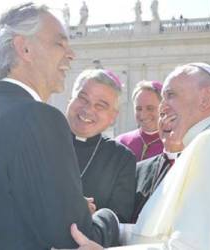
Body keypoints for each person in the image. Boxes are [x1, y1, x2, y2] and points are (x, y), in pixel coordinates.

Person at [0, 3, 119, 250]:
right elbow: (75, 236)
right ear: (24, 48)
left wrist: (71, 204)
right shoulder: (39, 117)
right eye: (60, 43)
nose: (71, 54)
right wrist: (107, 218)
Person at [70, 62, 210, 250]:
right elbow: (166, 234)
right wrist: (112, 226)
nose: (163, 107)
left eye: (170, 95)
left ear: (206, 98)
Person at [66, 69, 136, 223]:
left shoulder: (122, 159)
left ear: (113, 117)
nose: (88, 109)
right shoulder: (40, 140)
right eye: (83, 98)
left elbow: (119, 219)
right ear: (70, 99)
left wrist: (89, 216)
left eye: (101, 105)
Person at [131, 111, 184, 222]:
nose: (166, 121)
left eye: (174, 117)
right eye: (162, 115)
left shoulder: (201, 165)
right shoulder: (139, 170)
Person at [116, 81, 164, 161]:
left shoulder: (174, 144)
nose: (143, 114)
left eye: (150, 108)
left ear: (162, 108)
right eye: (139, 109)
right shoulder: (121, 143)